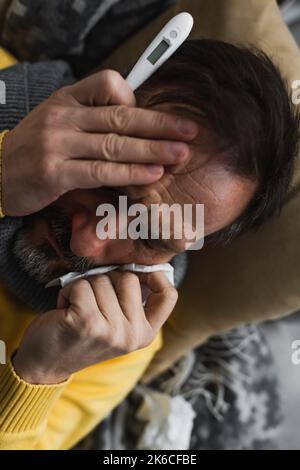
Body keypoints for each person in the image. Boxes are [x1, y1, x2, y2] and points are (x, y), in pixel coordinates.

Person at [0, 33, 298, 448]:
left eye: (149, 234)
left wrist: (39, 375)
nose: (88, 244)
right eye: (108, 185)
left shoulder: (108, 344)